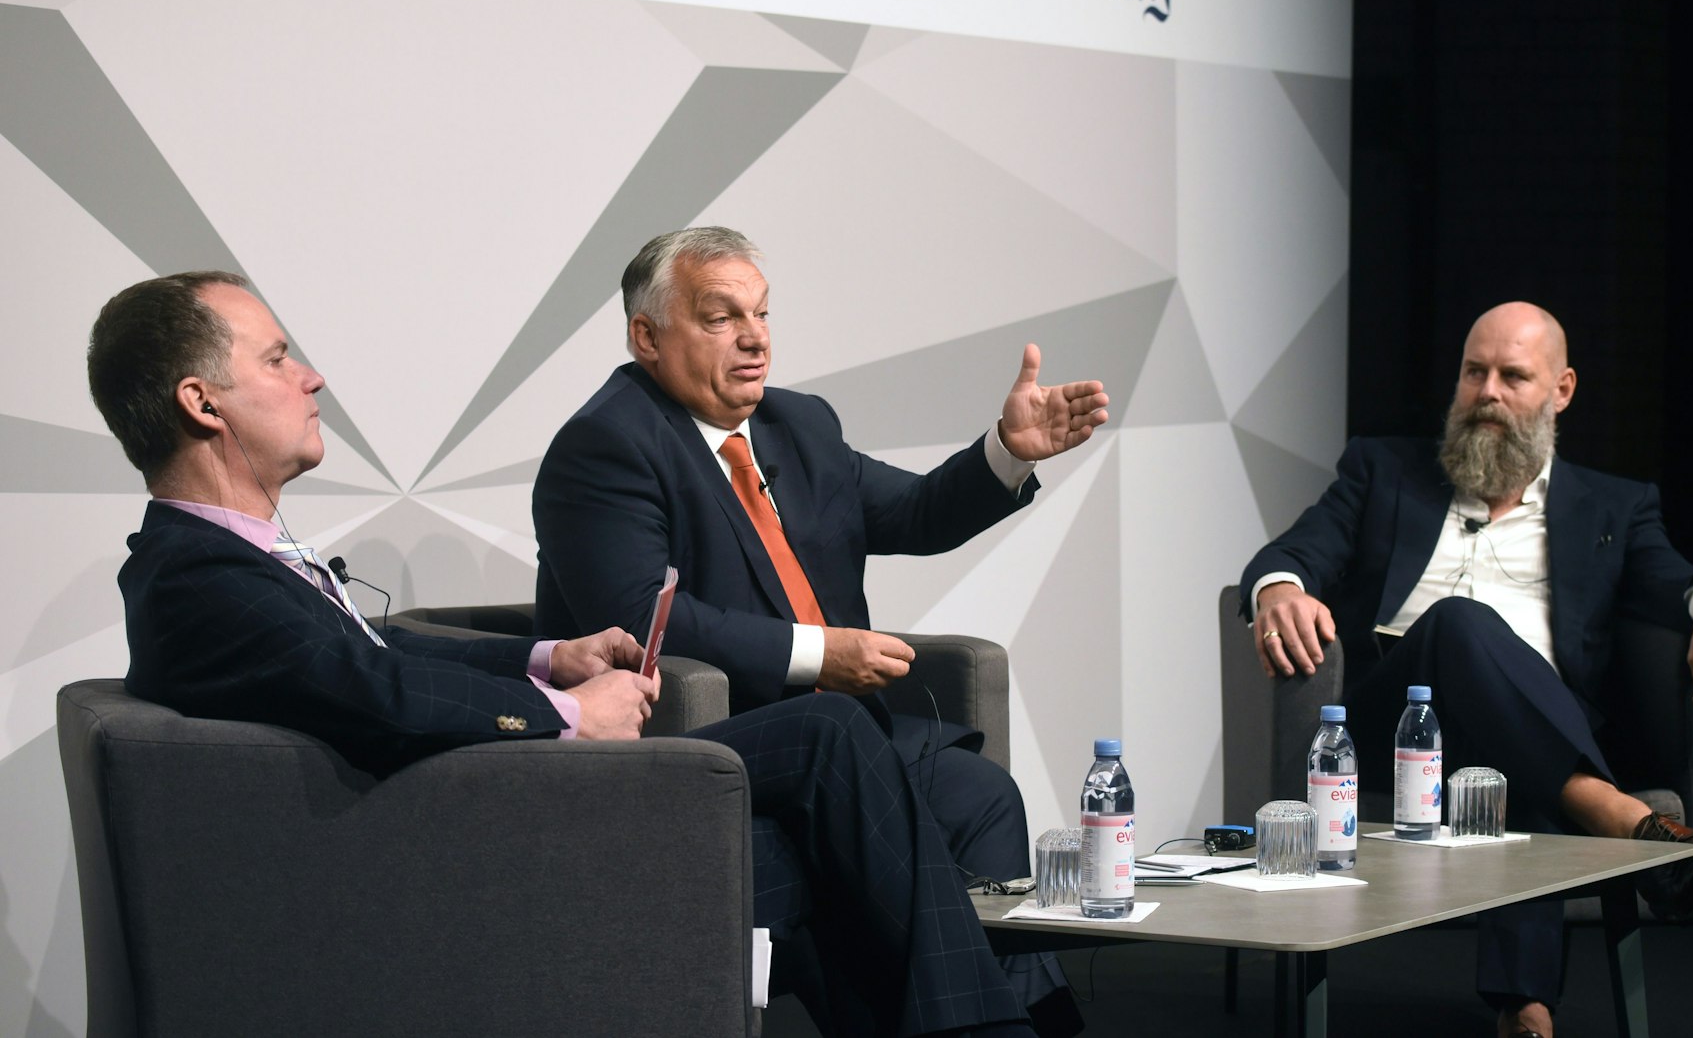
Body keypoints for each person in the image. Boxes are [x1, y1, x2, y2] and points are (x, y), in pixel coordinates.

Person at [89, 270, 1039, 1038]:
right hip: (473, 849)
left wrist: (550, 659)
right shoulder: (197, 578)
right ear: (201, 402)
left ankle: (976, 1023)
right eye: (278, 357)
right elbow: (374, 690)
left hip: (488, 809)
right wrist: (565, 718)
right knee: (829, 772)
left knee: (840, 805)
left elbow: (388, 650)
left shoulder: (233, 559)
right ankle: (996, 1025)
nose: (311, 377)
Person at [532, 227, 1108, 1030]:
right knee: (839, 738)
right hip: (709, 737)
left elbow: (911, 511)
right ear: (647, 336)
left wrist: (1007, 452)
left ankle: (992, 1017)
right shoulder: (606, 445)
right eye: (721, 316)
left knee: (977, 793)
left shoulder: (798, 427)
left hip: (842, 737)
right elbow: (640, 613)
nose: (754, 336)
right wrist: (817, 655)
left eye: (761, 313)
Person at [1240, 301, 1693, 1038]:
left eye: (1513, 376)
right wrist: (1282, 587)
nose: (1488, 391)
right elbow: (1293, 551)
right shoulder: (1382, 468)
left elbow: (1675, 579)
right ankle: (1619, 816)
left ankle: (1525, 1012)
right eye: (1474, 371)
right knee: (1457, 619)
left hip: (1534, 717)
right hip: (1396, 717)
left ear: (1562, 390)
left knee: (1520, 752)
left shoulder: (1615, 504)